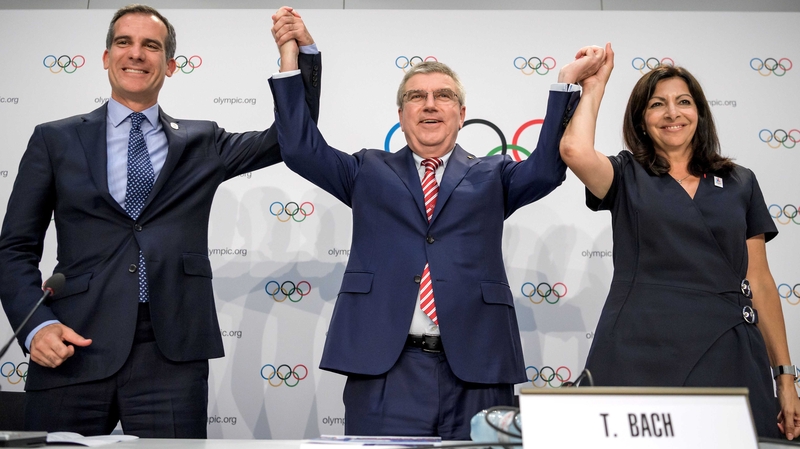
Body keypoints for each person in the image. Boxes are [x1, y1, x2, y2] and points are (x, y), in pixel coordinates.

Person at [270, 9, 604, 439]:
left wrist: (566, 84)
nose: (430, 104)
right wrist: (292, 57)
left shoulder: (494, 174)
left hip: (478, 369)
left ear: (462, 113)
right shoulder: (366, 170)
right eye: (416, 96)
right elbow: (299, 149)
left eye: (443, 96)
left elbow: (545, 169)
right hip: (384, 371)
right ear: (401, 113)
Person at [0, 4, 321, 437]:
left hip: (172, 355)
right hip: (73, 344)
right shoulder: (54, 139)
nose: (136, 53)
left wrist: (295, 58)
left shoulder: (202, 141)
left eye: (151, 45)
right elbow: (14, 249)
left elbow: (291, 139)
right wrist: (37, 326)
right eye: (124, 42)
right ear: (106, 57)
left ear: (170, 65)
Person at [559, 43, 800, 439]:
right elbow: (574, 150)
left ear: (699, 113)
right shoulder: (626, 175)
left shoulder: (740, 182)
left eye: (683, 102)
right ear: (641, 120)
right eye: (658, 105)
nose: (673, 113)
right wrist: (595, 85)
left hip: (727, 350)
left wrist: (786, 378)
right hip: (638, 349)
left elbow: (759, 280)